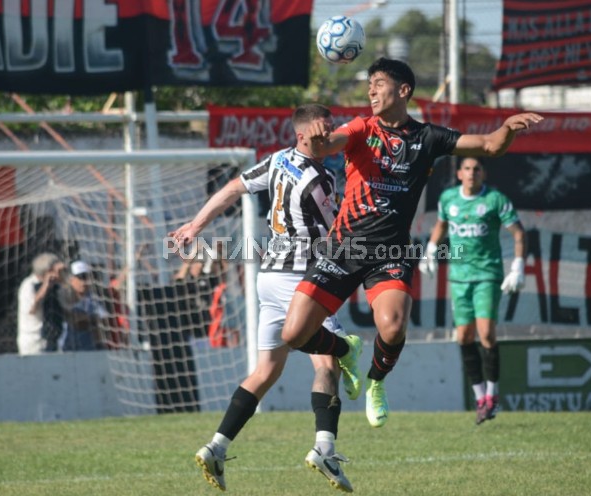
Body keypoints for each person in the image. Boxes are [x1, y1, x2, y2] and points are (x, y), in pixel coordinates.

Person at [280, 57, 543, 428]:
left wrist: (508, 128)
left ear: (403, 90)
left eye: (379, 83)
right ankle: (345, 348)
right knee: (293, 334)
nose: (370, 90)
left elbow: (489, 145)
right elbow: (330, 144)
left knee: (392, 325)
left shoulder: (429, 138)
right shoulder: (361, 127)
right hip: (344, 248)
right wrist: (321, 139)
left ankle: (375, 382)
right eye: (368, 84)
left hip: (391, 252)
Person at [169, 104, 358, 492]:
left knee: (266, 371)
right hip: (299, 281)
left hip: (268, 278)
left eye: (331, 130)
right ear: (303, 134)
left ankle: (217, 446)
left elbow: (232, 189)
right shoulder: (320, 178)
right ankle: (325, 447)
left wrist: (195, 225)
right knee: (328, 363)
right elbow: (334, 235)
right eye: (323, 132)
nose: (329, 138)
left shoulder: (277, 160)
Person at [420, 157, 526, 424]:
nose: (471, 173)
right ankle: (480, 398)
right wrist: (431, 250)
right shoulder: (448, 199)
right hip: (459, 277)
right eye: (466, 169)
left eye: (476, 169)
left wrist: (518, 267)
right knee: (464, 336)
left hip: (487, 275)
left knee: (486, 333)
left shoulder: (495, 200)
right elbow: (442, 225)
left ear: (483, 174)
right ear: (459, 173)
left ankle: (493, 395)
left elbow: (518, 233)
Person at [17, 253, 66, 355]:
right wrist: (46, 285)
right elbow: (32, 309)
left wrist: (63, 277)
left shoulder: (55, 286)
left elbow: (69, 302)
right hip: (33, 341)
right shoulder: (28, 285)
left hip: (52, 339)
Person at [60, 260, 108, 351]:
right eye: (80, 278)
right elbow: (73, 319)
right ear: (71, 280)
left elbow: (104, 319)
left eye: (86, 277)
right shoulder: (64, 295)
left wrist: (89, 319)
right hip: (67, 348)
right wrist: (92, 319)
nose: (84, 282)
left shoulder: (93, 298)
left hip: (88, 347)